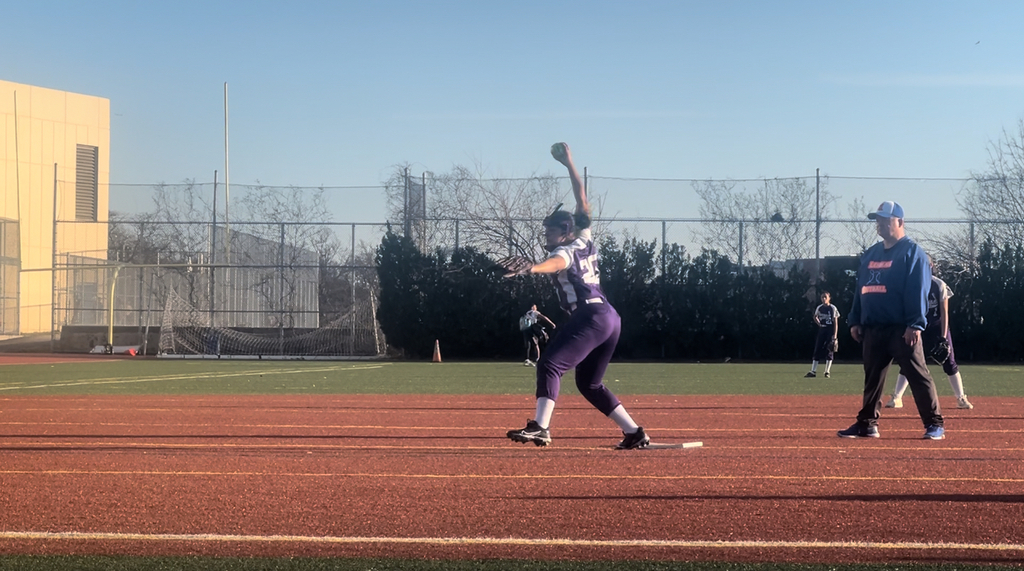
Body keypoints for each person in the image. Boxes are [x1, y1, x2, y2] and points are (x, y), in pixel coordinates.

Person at [506, 142, 651, 449]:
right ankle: (634, 432)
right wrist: (569, 163)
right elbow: (582, 199)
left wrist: (532, 268)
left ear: (565, 231)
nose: (546, 235)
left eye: (550, 230)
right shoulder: (584, 238)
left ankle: (541, 427)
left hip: (590, 316)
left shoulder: (563, 251)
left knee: (549, 365)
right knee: (589, 383)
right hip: (609, 317)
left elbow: (557, 264)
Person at [839, 201, 945, 440]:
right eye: (878, 220)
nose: (880, 224)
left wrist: (915, 324)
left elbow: (918, 290)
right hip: (873, 327)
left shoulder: (912, 252)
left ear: (900, 222)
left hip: (901, 329)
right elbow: (861, 289)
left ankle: (934, 423)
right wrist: (855, 320)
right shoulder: (871, 254)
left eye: (885, 220)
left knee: (917, 375)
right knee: (873, 378)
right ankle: (867, 424)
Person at [885, 257, 973, 409]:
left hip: (937, 328)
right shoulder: (911, 283)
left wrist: (943, 337)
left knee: (949, 362)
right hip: (918, 328)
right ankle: (897, 397)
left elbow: (944, 313)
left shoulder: (938, 284)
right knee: (909, 361)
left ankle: (961, 398)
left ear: (931, 265)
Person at [805, 291, 839, 378]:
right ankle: (813, 371)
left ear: (829, 298)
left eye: (825, 297)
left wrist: (835, 336)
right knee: (817, 349)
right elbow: (815, 316)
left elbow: (835, 323)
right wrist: (819, 324)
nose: (823, 299)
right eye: (822, 297)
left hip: (830, 330)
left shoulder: (832, 308)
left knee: (830, 350)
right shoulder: (819, 308)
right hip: (822, 330)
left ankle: (827, 371)